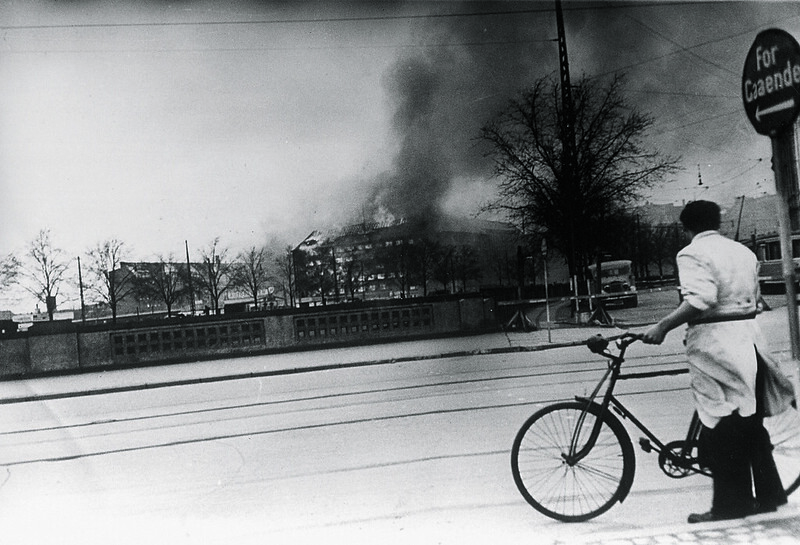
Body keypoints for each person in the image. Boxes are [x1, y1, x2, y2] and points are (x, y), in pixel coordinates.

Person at [635, 200, 787, 523]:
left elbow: (700, 299)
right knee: (749, 420)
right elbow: (756, 299)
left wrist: (662, 326)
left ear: (686, 227)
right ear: (717, 221)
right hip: (751, 342)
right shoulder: (743, 252)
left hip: (716, 347)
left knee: (720, 422)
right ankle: (769, 495)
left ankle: (731, 505)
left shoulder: (691, 253)